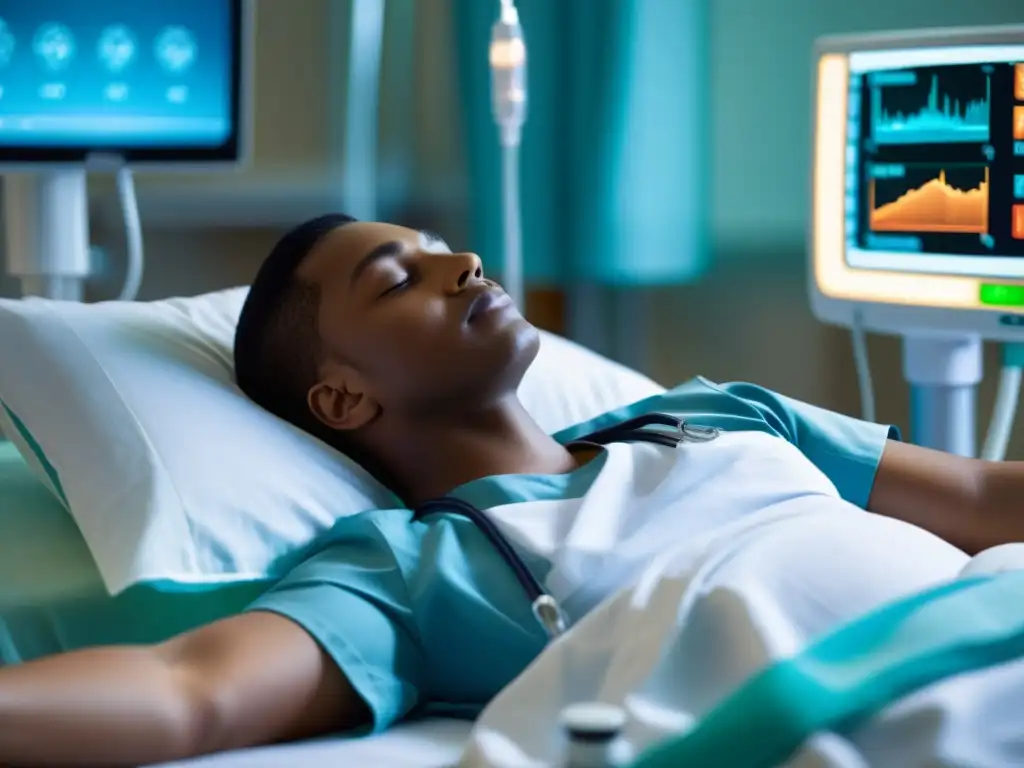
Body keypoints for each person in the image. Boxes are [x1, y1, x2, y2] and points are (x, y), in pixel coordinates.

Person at [0, 213, 1021, 767]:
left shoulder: (718, 414)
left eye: (441, 249)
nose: (460, 265)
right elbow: (193, 693)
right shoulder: (414, 566)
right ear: (343, 399)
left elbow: (982, 495)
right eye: (397, 280)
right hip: (879, 717)